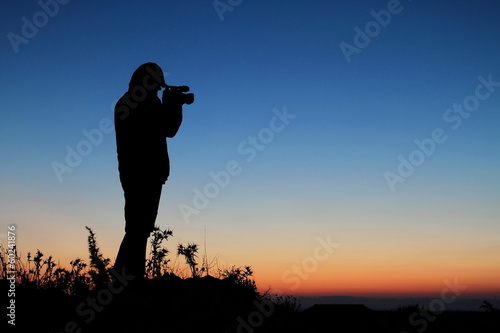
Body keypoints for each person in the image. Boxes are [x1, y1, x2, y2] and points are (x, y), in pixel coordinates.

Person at [113, 62, 184, 279]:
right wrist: (173, 105)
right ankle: (126, 278)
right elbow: (169, 129)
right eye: (156, 86)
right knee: (138, 228)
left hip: (140, 173)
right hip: (144, 173)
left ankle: (128, 277)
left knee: (139, 228)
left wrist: (169, 104)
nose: (158, 90)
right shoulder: (142, 104)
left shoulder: (128, 102)